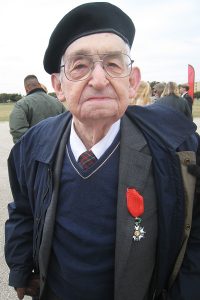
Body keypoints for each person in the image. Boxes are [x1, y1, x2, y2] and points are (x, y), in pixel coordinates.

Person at [4, 2, 200, 300]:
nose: (98, 80)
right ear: (59, 86)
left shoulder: (177, 146)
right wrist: (20, 269)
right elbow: (22, 211)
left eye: (113, 64)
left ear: (132, 82)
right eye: (80, 66)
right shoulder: (33, 146)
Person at [9, 75, 66, 143]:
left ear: (26, 89)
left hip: (36, 151)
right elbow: (67, 124)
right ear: (39, 85)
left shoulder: (21, 104)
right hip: (58, 148)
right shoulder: (57, 102)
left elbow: (17, 131)